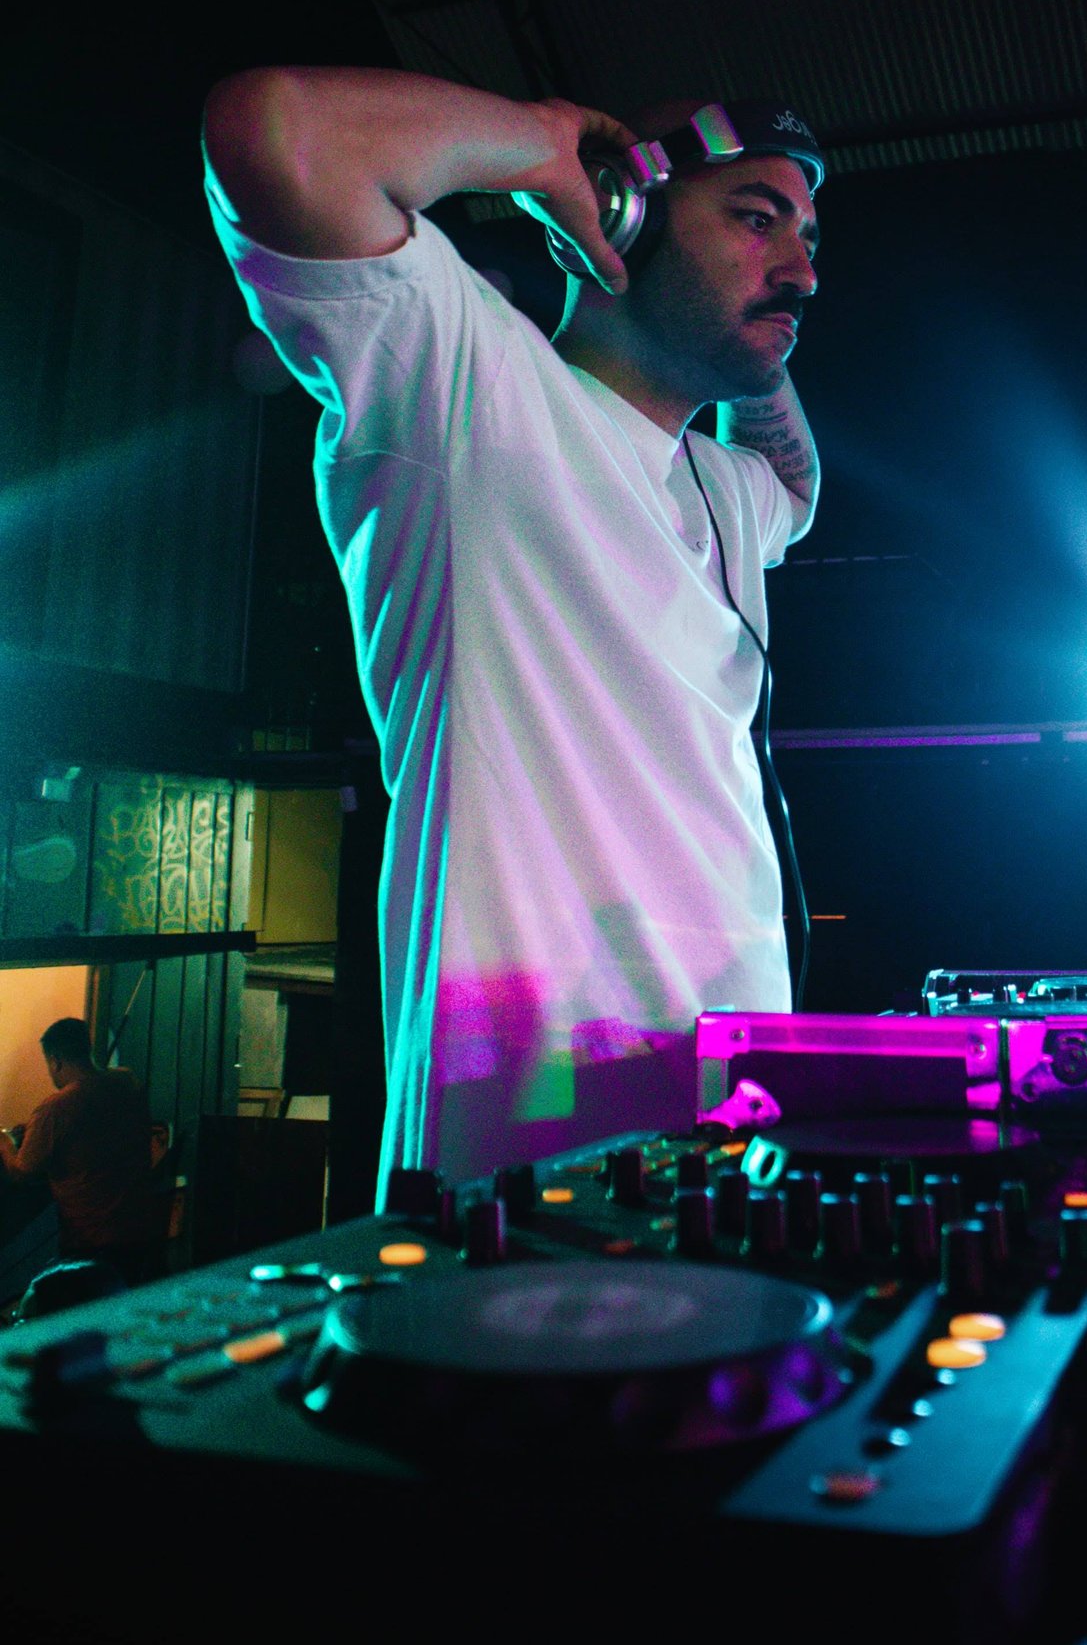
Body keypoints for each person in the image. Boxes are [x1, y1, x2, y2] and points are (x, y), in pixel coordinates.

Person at [202, 71, 822, 1189]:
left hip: (734, 1123)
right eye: (755, 219)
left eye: (807, 238)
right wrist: (541, 145)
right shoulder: (467, 385)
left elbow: (796, 483)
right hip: (524, 1147)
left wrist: (762, 344)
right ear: (620, 217)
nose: (803, 270)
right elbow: (274, 130)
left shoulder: (724, 488)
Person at [0, 1019, 157, 1279]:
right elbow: (91, 1129)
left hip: (91, 1239)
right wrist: (35, 1131)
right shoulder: (127, 1082)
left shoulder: (57, 1108)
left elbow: (22, 1172)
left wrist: (4, 1143)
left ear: (55, 1061)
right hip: (140, 1231)